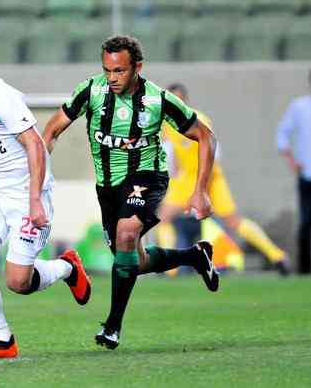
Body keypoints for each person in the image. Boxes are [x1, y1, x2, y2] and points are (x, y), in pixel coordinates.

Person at [43, 35, 219, 350]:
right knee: (131, 260)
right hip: (107, 188)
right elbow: (53, 129)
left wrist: (201, 191)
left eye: (120, 71)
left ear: (137, 67)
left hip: (147, 176)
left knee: (126, 234)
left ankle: (112, 327)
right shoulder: (91, 90)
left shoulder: (158, 100)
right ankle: (194, 255)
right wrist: (40, 171)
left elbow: (206, 137)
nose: (112, 78)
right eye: (107, 70)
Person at [0, 30, 91, 359]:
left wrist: (35, 200)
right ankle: (2, 341)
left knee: (18, 282)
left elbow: (35, 144)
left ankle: (67, 267)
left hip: (27, 192)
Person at [158, 83, 289, 275]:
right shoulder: (168, 125)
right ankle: (172, 271)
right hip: (186, 178)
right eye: (171, 100)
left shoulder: (199, 120)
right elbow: (172, 153)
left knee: (233, 221)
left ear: (185, 100)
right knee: (163, 219)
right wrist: (173, 174)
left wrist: (201, 188)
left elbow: (213, 150)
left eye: (178, 100)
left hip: (211, 177)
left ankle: (277, 256)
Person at [276, 69, 311, 275]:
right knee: (306, 221)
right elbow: (282, 133)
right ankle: (305, 268)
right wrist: (291, 160)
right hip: (307, 174)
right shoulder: (299, 107)